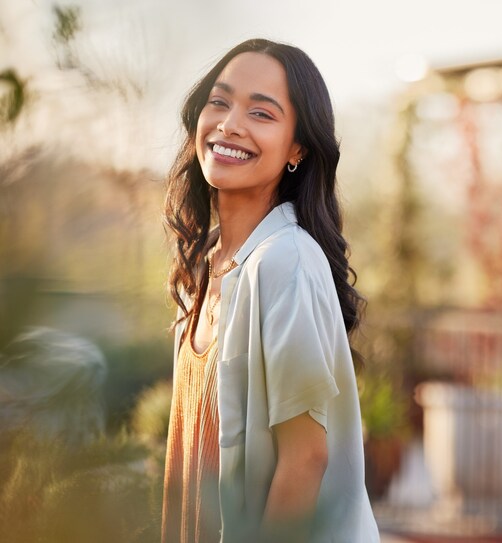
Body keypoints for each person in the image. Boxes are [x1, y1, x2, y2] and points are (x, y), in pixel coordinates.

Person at [162, 38, 380, 543]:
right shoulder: (204, 264)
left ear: (297, 148)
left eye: (261, 113)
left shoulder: (286, 261)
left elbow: (304, 460)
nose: (230, 124)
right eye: (219, 102)